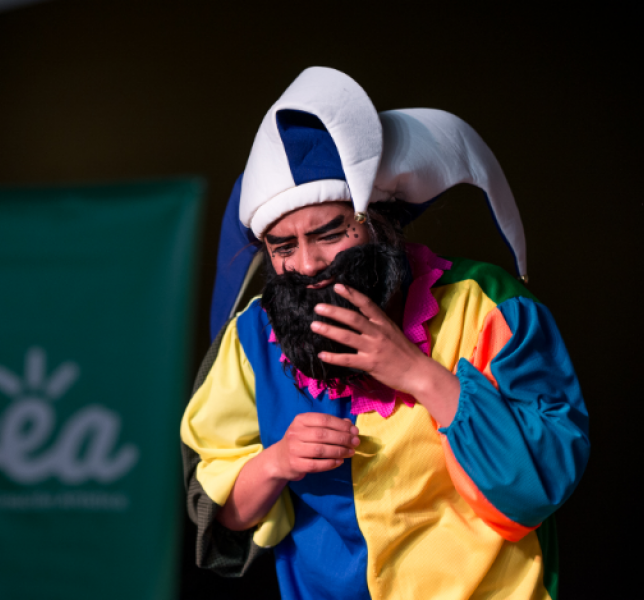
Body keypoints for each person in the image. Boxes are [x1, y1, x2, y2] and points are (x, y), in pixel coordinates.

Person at [180, 67, 589, 600]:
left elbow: (538, 485)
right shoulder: (253, 339)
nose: (307, 264)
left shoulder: (488, 306)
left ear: (379, 222)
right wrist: (275, 461)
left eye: (331, 232)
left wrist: (417, 374)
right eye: (282, 247)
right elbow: (221, 516)